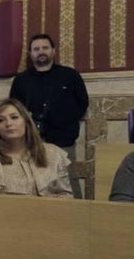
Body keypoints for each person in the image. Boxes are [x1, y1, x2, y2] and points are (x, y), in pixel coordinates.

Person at [8, 34, 89, 198]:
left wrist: (64, 121)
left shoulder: (70, 75)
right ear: (31, 54)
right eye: (36, 49)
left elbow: (82, 103)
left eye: (45, 48)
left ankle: (77, 219)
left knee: (68, 183)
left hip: (62, 142)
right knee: (30, 184)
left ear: (53, 51)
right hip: (29, 143)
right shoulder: (21, 80)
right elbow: (13, 109)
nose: (41, 52)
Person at [0, 99, 73, 198]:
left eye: (14, 117)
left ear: (26, 122)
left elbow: (67, 198)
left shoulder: (54, 154)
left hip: (50, 218)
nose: (9, 123)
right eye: (0, 120)